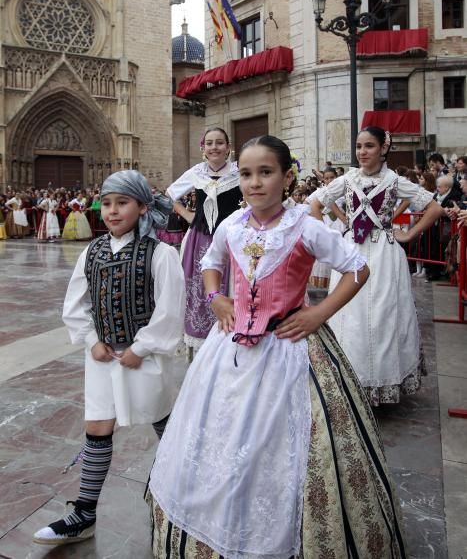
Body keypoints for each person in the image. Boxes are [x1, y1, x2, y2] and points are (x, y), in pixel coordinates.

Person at [147, 135, 407, 559]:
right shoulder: (231, 225)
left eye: (265, 173)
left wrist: (318, 314)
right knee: (220, 436)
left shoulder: (305, 225)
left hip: (289, 349)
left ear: (287, 178)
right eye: (247, 174)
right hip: (228, 353)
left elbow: (358, 267)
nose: (254, 183)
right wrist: (217, 299)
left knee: (282, 445)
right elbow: (209, 264)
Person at [33, 170, 186, 546]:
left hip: (145, 359)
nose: (113, 211)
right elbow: (76, 304)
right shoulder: (93, 251)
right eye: (108, 203)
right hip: (102, 358)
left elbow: (170, 311)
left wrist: (141, 347)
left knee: (163, 425)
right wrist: (90, 340)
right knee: (98, 429)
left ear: (142, 207)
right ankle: (84, 513)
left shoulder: (161, 254)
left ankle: (180, 499)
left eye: (123, 203)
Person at [310, 126, 443, 406]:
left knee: (383, 316)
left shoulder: (395, 181)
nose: (362, 152)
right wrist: (329, 240)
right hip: (352, 253)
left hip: (384, 253)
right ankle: (349, 380)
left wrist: (407, 234)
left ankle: (380, 382)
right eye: (359, 146)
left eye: (369, 146)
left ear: (383, 148)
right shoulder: (347, 180)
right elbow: (315, 204)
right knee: (349, 317)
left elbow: (434, 208)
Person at [167, 127, 241, 356]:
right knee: (198, 288)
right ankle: (199, 346)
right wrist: (188, 215)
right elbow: (169, 195)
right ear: (203, 148)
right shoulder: (196, 172)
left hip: (230, 240)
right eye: (209, 143)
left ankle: (229, 340)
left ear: (228, 148)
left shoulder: (239, 172)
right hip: (199, 240)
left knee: (229, 286)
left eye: (219, 143)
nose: (214, 147)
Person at [308, 166, 345, 290]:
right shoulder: (320, 192)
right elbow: (307, 204)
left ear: (337, 177)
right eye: (326, 178)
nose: (329, 181)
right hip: (325, 222)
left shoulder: (343, 191)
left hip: (341, 224)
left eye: (332, 178)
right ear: (323, 179)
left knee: (339, 249)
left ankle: (339, 282)